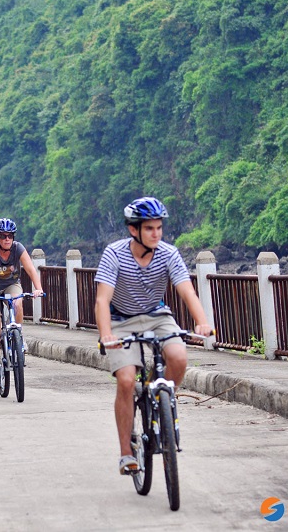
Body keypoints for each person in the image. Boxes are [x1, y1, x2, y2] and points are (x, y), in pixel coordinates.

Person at [94, 197, 212, 476]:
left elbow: (186, 291)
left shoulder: (168, 254)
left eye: (159, 227)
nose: (156, 233)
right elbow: (102, 300)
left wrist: (202, 322)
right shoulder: (114, 253)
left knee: (179, 358)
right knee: (125, 379)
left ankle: (164, 402)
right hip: (120, 319)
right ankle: (126, 454)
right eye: (149, 228)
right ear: (134, 230)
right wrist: (106, 334)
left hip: (158, 315)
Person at [0, 218, 44, 389]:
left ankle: (18, 335)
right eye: (3, 236)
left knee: (17, 303)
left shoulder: (18, 248)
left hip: (11, 284)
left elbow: (30, 269)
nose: (7, 239)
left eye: (10, 236)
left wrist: (38, 288)